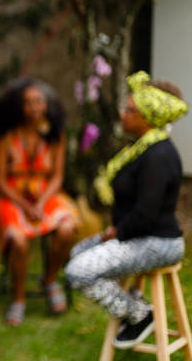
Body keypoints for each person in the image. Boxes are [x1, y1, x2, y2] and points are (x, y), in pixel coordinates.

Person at [66, 71, 188, 349]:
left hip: (158, 242)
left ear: (147, 118)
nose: (123, 114)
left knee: (78, 271)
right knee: (76, 253)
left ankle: (140, 315)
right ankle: (135, 302)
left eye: (131, 110)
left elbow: (146, 214)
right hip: (138, 236)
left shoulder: (158, 155)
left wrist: (116, 232)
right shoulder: (142, 149)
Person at [0, 77, 79, 325]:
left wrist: (40, 203)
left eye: (38, 101)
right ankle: (18, 298)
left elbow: (58, 176)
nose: (34, 107)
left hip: (45, 194)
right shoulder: (6, 135)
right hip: (11, 196)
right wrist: (25, 205)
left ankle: (49, 279)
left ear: (46, 104)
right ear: (19, 106)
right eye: (27, 102)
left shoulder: (54, 134)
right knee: (18, 240)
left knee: (67, 227)